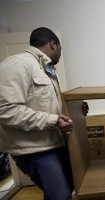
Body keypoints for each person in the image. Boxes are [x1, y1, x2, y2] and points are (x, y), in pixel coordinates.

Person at [0, 27, 88, 200]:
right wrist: (54, 120)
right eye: (61, 50)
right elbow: (6, 110)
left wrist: (75, 112)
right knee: (60, 196)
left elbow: (46, 106)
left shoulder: (44, 68)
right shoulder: (17, 65)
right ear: (53, 44)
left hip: (53, 143)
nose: (60, 55)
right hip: (35, 149)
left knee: (69, 187)